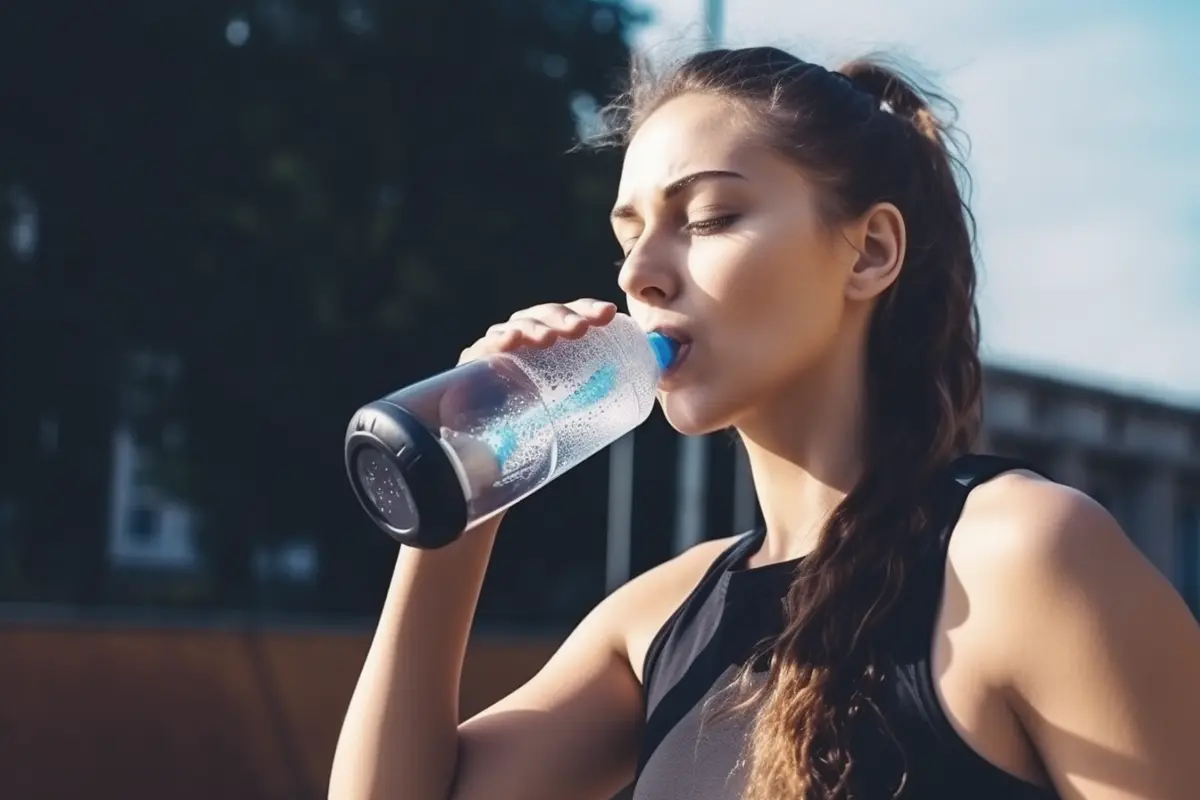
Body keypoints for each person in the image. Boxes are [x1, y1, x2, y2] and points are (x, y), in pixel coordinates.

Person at [328, 47, 1200, 800]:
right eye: (628, 235)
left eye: (708, 217)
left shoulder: (1026, 557)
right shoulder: (659, 619)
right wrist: (472, 472)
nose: (641, 274)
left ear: (870, 251)